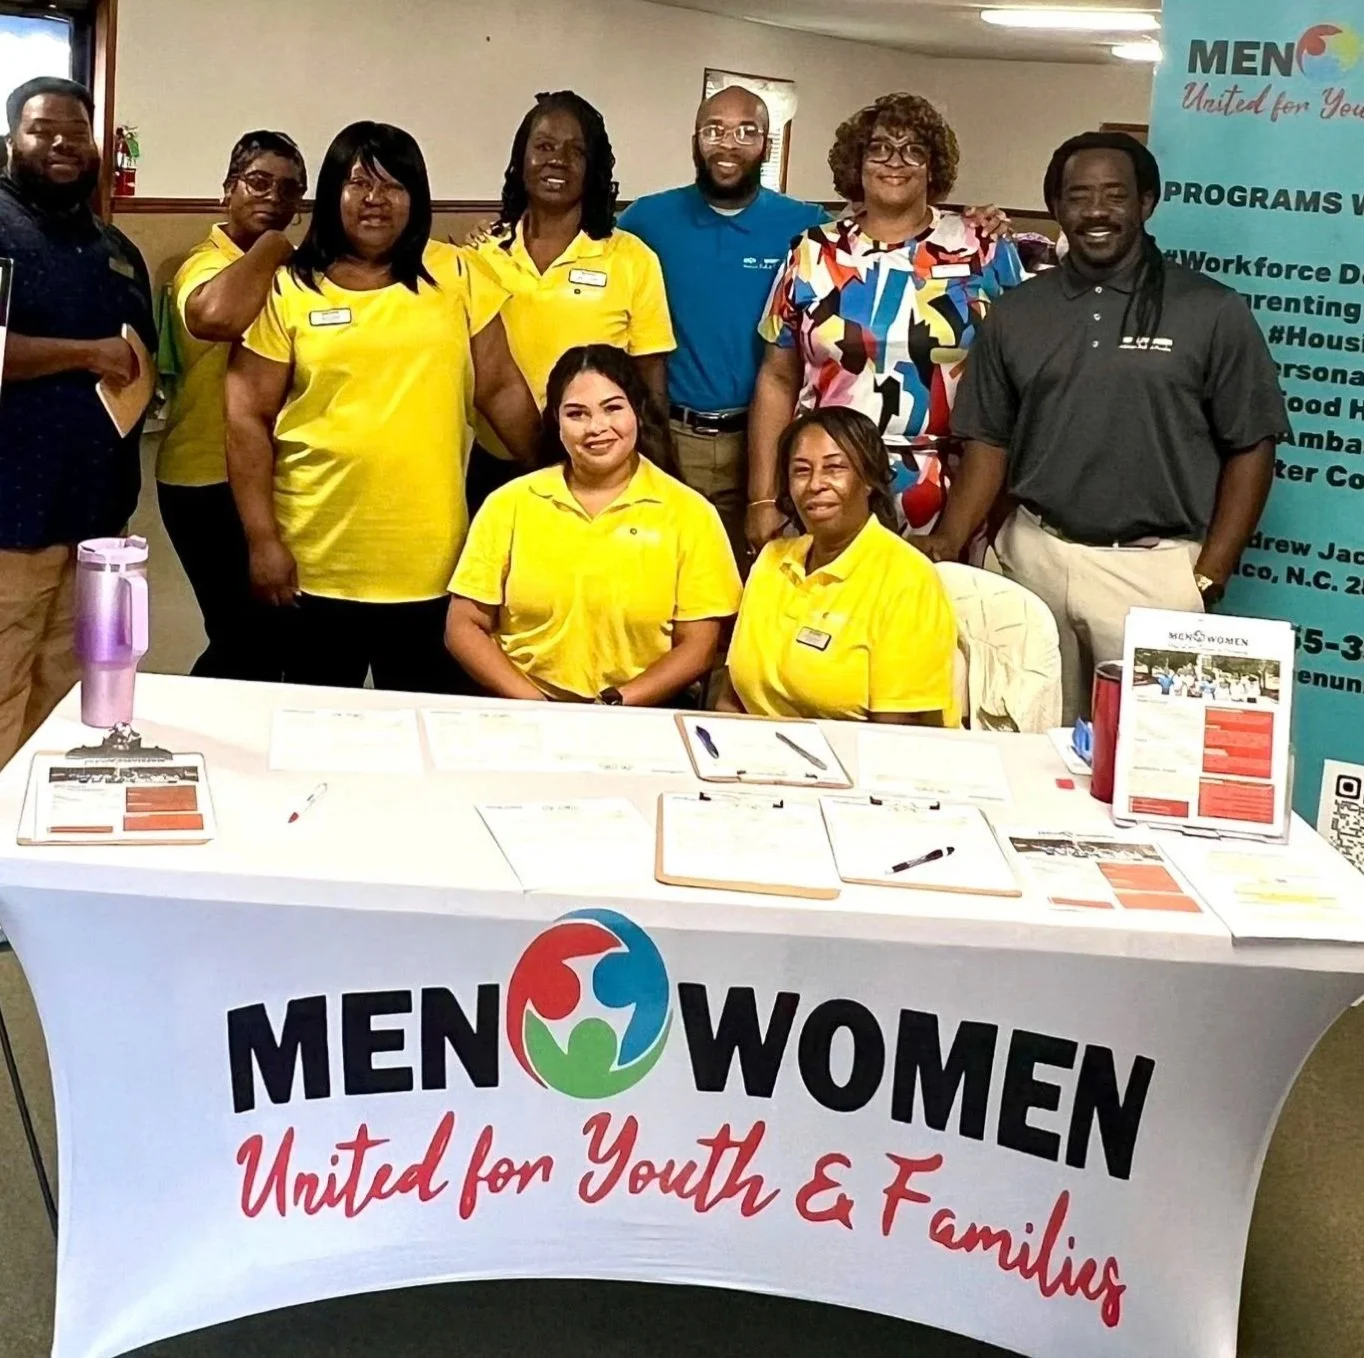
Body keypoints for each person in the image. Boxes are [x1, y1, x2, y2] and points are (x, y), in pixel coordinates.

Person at [923, 131, 1290, 722]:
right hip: (1030, 558)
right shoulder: (1017, 311)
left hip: (1152, 572)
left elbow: (1252, 444)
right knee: (1022, 742)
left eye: (1114, 195)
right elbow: (988, 441)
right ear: (1056, 208)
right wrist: (949, 539)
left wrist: (1209, 573)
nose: (1095, 211)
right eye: (1078, 196)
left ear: (1147, 203)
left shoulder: (1211, 310)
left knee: (1156, 758)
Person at [225, 121, 538, 694]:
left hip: (431, 562)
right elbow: (247, 416)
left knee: (426, 732)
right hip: (317, 559)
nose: (375, 200)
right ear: (331, 194)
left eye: (394, 186)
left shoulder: (457, 273)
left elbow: (502, 389)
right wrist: (261, 538)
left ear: (417, 197)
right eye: (358, 183)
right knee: (316, 731)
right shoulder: (291, 285)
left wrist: (558, 481)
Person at [748, 92, 1024, 557]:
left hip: (947, 489)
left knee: (934, 620)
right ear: (857, 162)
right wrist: (761, 496)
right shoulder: (812, 252)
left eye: (913, 149)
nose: (895, 161)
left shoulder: (982, 248)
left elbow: (1019, 376)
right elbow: (777, 377)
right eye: (879, 148)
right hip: (825, 479)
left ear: (933, 166)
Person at [447, 344, 741, 706]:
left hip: (640, 711)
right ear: (556, 421)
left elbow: (698, 646)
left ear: (638, 411)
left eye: (613, 408)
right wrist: (537, 705)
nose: (596, 427)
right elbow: (463, 626)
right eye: (577, 414)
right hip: (524, 707)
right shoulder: (509, 504)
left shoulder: (691, 513)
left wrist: (614, 705)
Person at [0, 77, 154, 766]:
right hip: (10, 517)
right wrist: (86, 353)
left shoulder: (114, 247)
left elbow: (141, 357)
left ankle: (42, 843)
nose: (63, 143)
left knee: (73, 691)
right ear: (11, 140)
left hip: (95, 518)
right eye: (43, 129)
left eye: (76, 131)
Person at [620, 85, 826, 564]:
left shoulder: (806, 226)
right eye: (714, 130)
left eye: (746, 132)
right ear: (695, 139)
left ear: (767, 146)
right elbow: (583, 246)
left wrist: (983, 224)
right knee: (664, 578)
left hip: (768, 443)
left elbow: (877, 246)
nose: (728, 144)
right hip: (670, 438)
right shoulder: (646, 219)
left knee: (759, 582)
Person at [467, 91, 675, 514]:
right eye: (543, 147)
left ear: (593, 168)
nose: (557, 160)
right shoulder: (481, 255)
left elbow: (650, 384)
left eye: (575, 150)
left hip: (598, 471)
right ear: (520, 160)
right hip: (497, 466)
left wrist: (658, 473)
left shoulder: (632, 259)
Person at [158, 131, 307, 682]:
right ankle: (195, 741)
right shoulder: (203, 263)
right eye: (258, 182)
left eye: (289, 189)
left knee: (273, 631)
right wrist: (270, 246)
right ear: (228, 189)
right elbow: (216, 316)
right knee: (244, 633)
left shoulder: (297, 272)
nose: (273, 197)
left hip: (270, 474)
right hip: (202, 479)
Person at [718, 407, 959, 726]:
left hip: (861, 762)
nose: (815, 484)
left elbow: (896, 735)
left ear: (869, 479)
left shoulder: (908, 578)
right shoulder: (771, 560)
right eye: (801, 471)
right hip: (756, 757)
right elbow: (730, 698)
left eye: (834, 468)